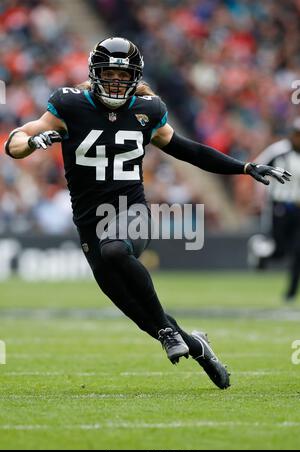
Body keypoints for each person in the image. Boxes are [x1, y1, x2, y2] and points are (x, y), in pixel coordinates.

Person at [4, 37, 291, 389]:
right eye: (108, 74)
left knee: (115, 250)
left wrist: (244, 167)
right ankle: (198, 346)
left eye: (123, 77)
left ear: (134, 78)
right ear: (94, 74)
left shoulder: (148, 110)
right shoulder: (70, 104)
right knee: (133, 308)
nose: (115, 83)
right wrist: (33, 143)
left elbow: (190, 150)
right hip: (89, 219)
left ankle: (170, 333)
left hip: (130, 209)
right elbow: (15, 141)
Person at [248, 118, 300, 302]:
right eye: (296, 134)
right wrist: (258, 197)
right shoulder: (278, 151)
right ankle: (260, 249)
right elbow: (257, 168)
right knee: (280, 250)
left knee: (297, 251)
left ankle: (291, 293)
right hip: (280, 206)